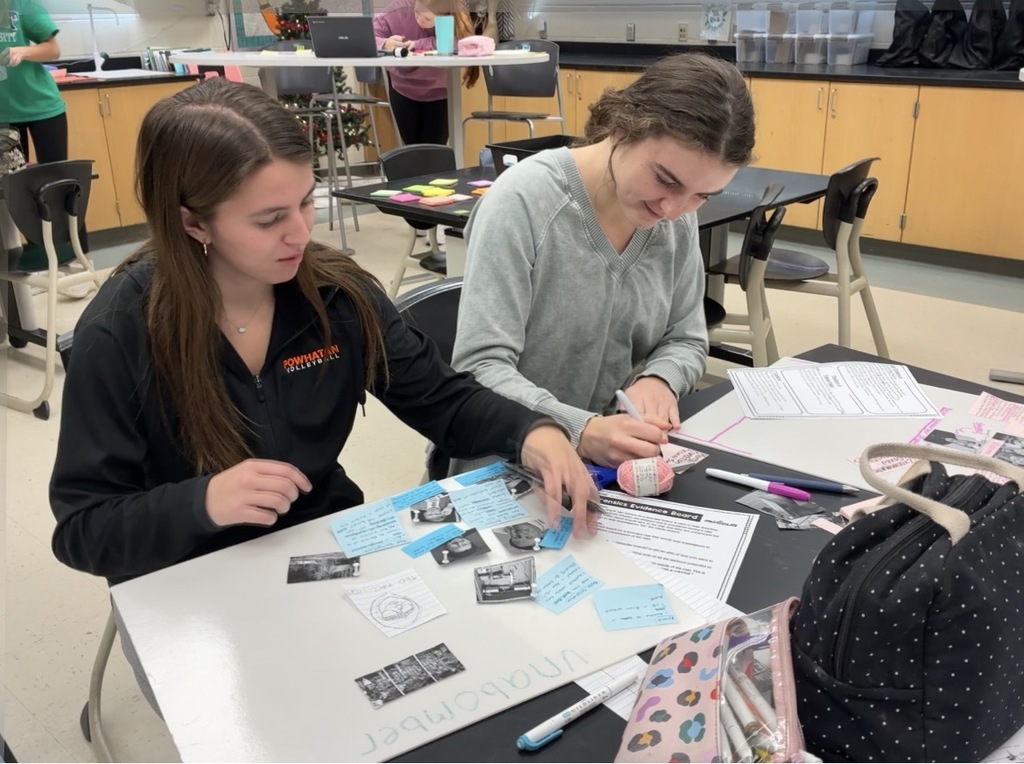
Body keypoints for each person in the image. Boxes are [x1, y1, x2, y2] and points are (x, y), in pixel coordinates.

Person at [49, 78, 598, 593]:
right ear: (193, 223)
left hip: (320, 546)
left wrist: (532, 431)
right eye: (268, 220)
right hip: (188, 571)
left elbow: (442, 399)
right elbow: (84, 529)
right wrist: (204, 502)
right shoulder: (120, 332)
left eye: (307, 201)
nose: (300, 233)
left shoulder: (338, 296)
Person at [451, 53, 755, 469]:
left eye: (703, 195)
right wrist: (581, 429)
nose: (674, 209)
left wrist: (659, 379)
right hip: (505, 461)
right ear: (621, 128)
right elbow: (479, 368)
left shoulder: (675, 217)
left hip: (610, 462)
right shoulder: (523, 202)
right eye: (666, 179)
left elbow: (686, 337)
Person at [373, 0, 477, 145]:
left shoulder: (454, 13)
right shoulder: (398, 10)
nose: (420, 19)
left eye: (427, 18)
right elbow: (368, 37)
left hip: (440, 92)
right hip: (403, 89)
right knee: (413, 147)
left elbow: (462, 42)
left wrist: (419, 44)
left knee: (434, 148)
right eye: (417, 12)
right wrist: (384, 44)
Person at [0, 0, 67, 163]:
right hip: (4, 115)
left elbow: (53, 50)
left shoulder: (22, 4)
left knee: (56, 179)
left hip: (43, 105)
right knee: (13, 183)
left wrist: (21, 51)